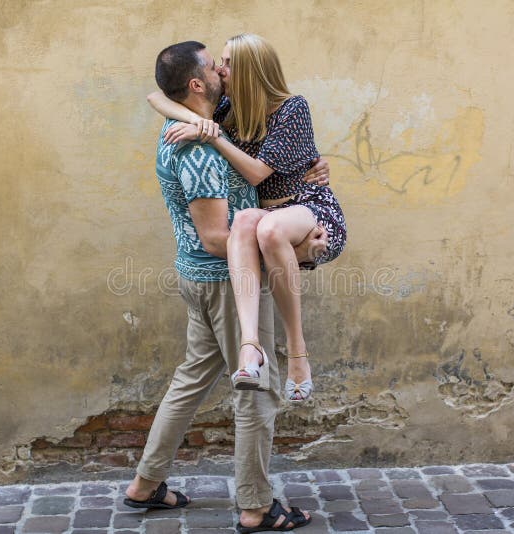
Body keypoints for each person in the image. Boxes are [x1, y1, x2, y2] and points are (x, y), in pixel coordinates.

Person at [124, 40, 321, 532]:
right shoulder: (197, 150)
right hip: (225, 284)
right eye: (213, 66)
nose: (220, 71)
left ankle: (144, 486)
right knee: (256, 388)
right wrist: (295, 255)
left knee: (192, 378)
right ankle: (256, 507)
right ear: (197, 84)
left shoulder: (195, 129)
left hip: (200, 280)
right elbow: (217, 238)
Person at [147, 33, 347, 404]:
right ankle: (251, 346)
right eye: (218, 62)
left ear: (251, 72)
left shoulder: (292, 109)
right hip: (264, 218)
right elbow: (157, 97)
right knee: (247, 223)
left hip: (308, 208)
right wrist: (201, 122)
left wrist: (212, 135)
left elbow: (256, 174)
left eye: (228, 63)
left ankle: (298, 354)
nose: (220, 70)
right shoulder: (227, 107)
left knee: (265, 225)